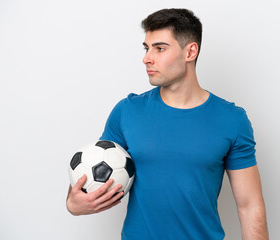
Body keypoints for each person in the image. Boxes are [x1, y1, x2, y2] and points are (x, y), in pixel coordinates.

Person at [66, 8, 269, 240]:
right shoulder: (127, 111)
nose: (147, 58)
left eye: (160, 48)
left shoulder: (232, 120)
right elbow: (94, 170)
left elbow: (250, 206)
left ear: (190, 51)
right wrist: (73, 203)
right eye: (146, 48)